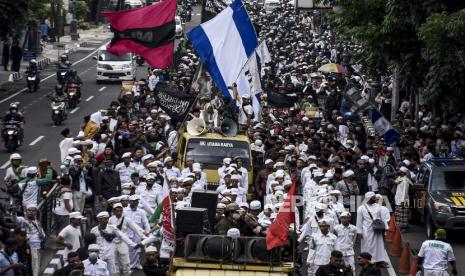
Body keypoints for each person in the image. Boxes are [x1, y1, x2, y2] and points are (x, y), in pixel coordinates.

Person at [356, 192, 388, 267]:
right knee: (368, 246)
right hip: (367, 231)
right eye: (373, 197)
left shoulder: (378, 206)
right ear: (368, 198)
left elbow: (382, 218)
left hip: (377, 229)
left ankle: (379, 261)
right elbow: (359, 221)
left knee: (379, 245)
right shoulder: (361, 208)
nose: (375, 199)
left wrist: (385, 229)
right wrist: (359, 232)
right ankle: (367, 261)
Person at [15, 204, 45, 276]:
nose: (31, 212)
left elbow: (43, 234)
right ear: (26, 211)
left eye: (33, 210)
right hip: (26, 248)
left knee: (36, 266)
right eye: (29, 210)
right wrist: (14, 212)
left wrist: (42, 236)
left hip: (37, 248)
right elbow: (14, 219)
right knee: (27, 266)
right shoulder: (22, 220)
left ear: (36, 212)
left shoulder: (37, 222)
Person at [394, 166, 412, 232]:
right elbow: (396, 181)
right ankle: (400, 227)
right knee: (399, 214)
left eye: (400, 171)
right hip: (398, 199)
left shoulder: (405, 181)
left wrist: (402, 201)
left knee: (403, 214)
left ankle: (404, 228)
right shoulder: (400, 178)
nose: (398, 172)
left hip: (403, 200)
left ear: (403, 173)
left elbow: (405, 192)